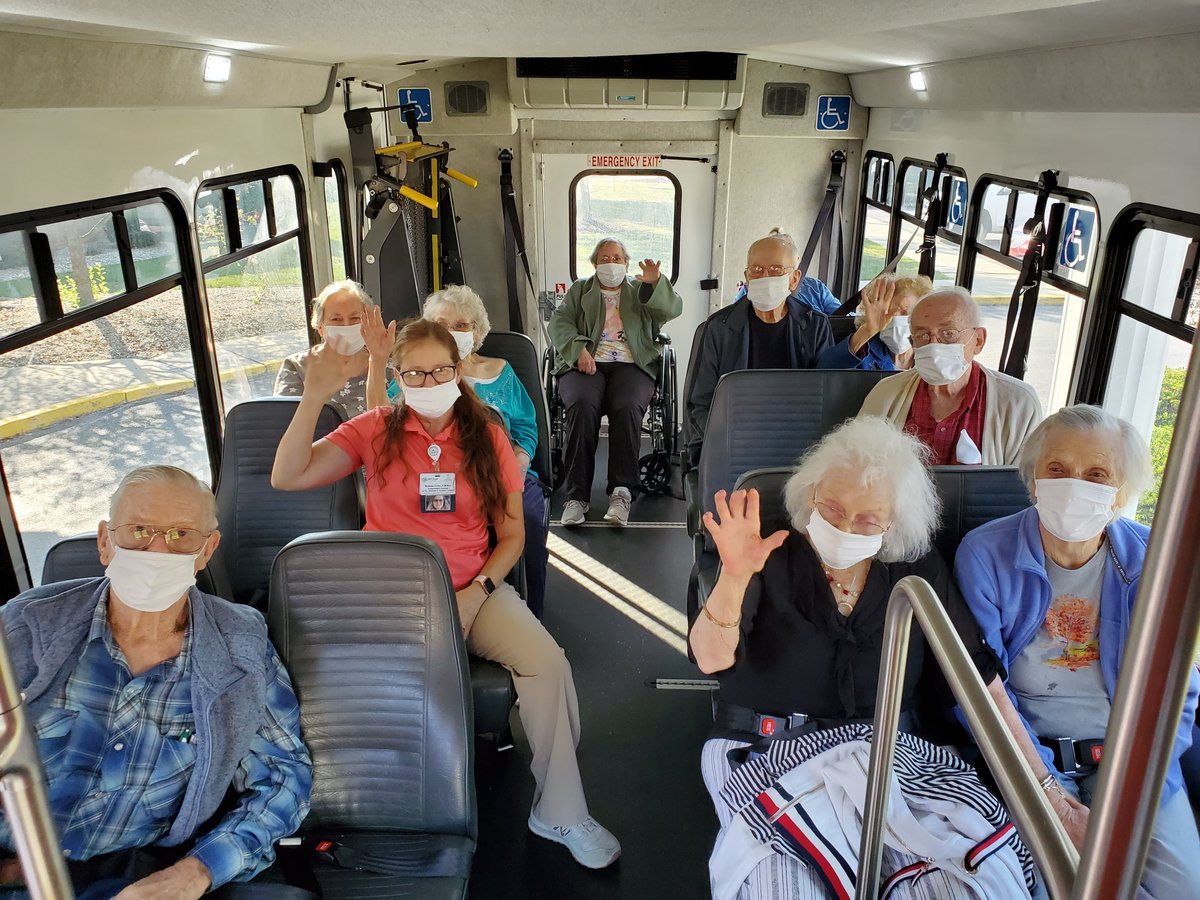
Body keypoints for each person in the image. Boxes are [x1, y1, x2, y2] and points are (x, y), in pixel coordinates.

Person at [272, 318, 621, 870]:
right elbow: (288, 476)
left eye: (439, 369)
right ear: (399, 376)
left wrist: (475, 594)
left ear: (457, 372)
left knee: (548, 664)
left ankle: (558, 811)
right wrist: (314, 395)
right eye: (414, 371)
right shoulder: (375, 428)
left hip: (470, 587)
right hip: (389, 594)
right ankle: (358, 806)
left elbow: (511, 535)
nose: (428, 379)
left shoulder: (488, 436)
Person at [690, 417, 1027, 898]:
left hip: (891, 754)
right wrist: (734, 577)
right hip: (765, 750)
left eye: (868, 519)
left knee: (948, 882)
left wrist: (1045, 790)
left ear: (893, 525)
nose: (845, 526)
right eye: (830, 508)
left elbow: (975, 674)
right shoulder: (768, 549)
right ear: (810, 497)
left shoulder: (915, 566)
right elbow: (709, 659)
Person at [0, 466, 311, 899]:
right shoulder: (26, 627)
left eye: (181, 535)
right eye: (140, 529)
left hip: (137, 878)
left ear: (207, 550)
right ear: (106, 542)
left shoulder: (241, 649)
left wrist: (198, 870)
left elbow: (284, 778)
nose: (158, 551)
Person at [955, 405, 1200, 898]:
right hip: (1031, 759)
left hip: (1135, 762)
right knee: (1058, 885)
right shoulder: (984, 553)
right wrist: (1051, 795)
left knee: (1183, 888)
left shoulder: (1156, 559)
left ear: (1122, 493)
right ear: (1032, 481)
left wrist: (1133, 787)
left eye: (1096, 474)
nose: (1074, 486)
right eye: (1057, 470)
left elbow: (1181, 695)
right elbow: (977, 691)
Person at [420, 284, 550, 620]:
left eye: (461, 325)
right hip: (437, 476)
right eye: (442, 324)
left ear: (476, 332)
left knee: (531, 517)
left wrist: (519, 462)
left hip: (502, 473)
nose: (451, 332)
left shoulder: (501, 372)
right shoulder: (416, 375)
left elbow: (525, 426)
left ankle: (531, 609)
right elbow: (387, 417)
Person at [548, 238, 683, 528]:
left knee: (626, 406)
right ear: (596, 263)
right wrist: (578, 348)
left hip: (632, 363)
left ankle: (621, 493)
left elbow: (670, 311)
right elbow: (559, 323)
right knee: (582, 405)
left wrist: (655, 284)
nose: (612, 263)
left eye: (618, 258)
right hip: (585, 362)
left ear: (626, 263)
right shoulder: (580, 290)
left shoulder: (638, 291)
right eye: (605, 257)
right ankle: (576, 497)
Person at [686, 230, 834, 466]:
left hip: (798, 449)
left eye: (775, 270)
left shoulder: (814, 326)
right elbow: (700, 404)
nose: (765, 277)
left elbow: (824, 400)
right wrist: (727, 441)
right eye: (756, 270)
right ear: (746, 277)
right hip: (730, 443)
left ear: (794, 279)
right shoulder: (718, 328)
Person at [858, 286, 1042, 465]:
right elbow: (857, 467)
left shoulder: (1019, 404)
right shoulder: (885, 394)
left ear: (978, 341)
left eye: (948, 333)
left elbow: (1023, 487)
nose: (934, 345)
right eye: (922, 335)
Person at [273, 279, 393, 417]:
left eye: (355, 318)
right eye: (336, 319)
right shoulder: (298, 367)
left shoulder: (388, 369)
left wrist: (377, 361)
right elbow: (284, 422)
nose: (346, 326)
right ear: (320, 328)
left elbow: (393, 427)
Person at [817, 272, 931, 371]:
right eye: (886, 312)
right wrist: (867, 330)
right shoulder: (864, 350)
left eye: (905, 312)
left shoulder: (931, 355)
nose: (895, 318)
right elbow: (823, 372)